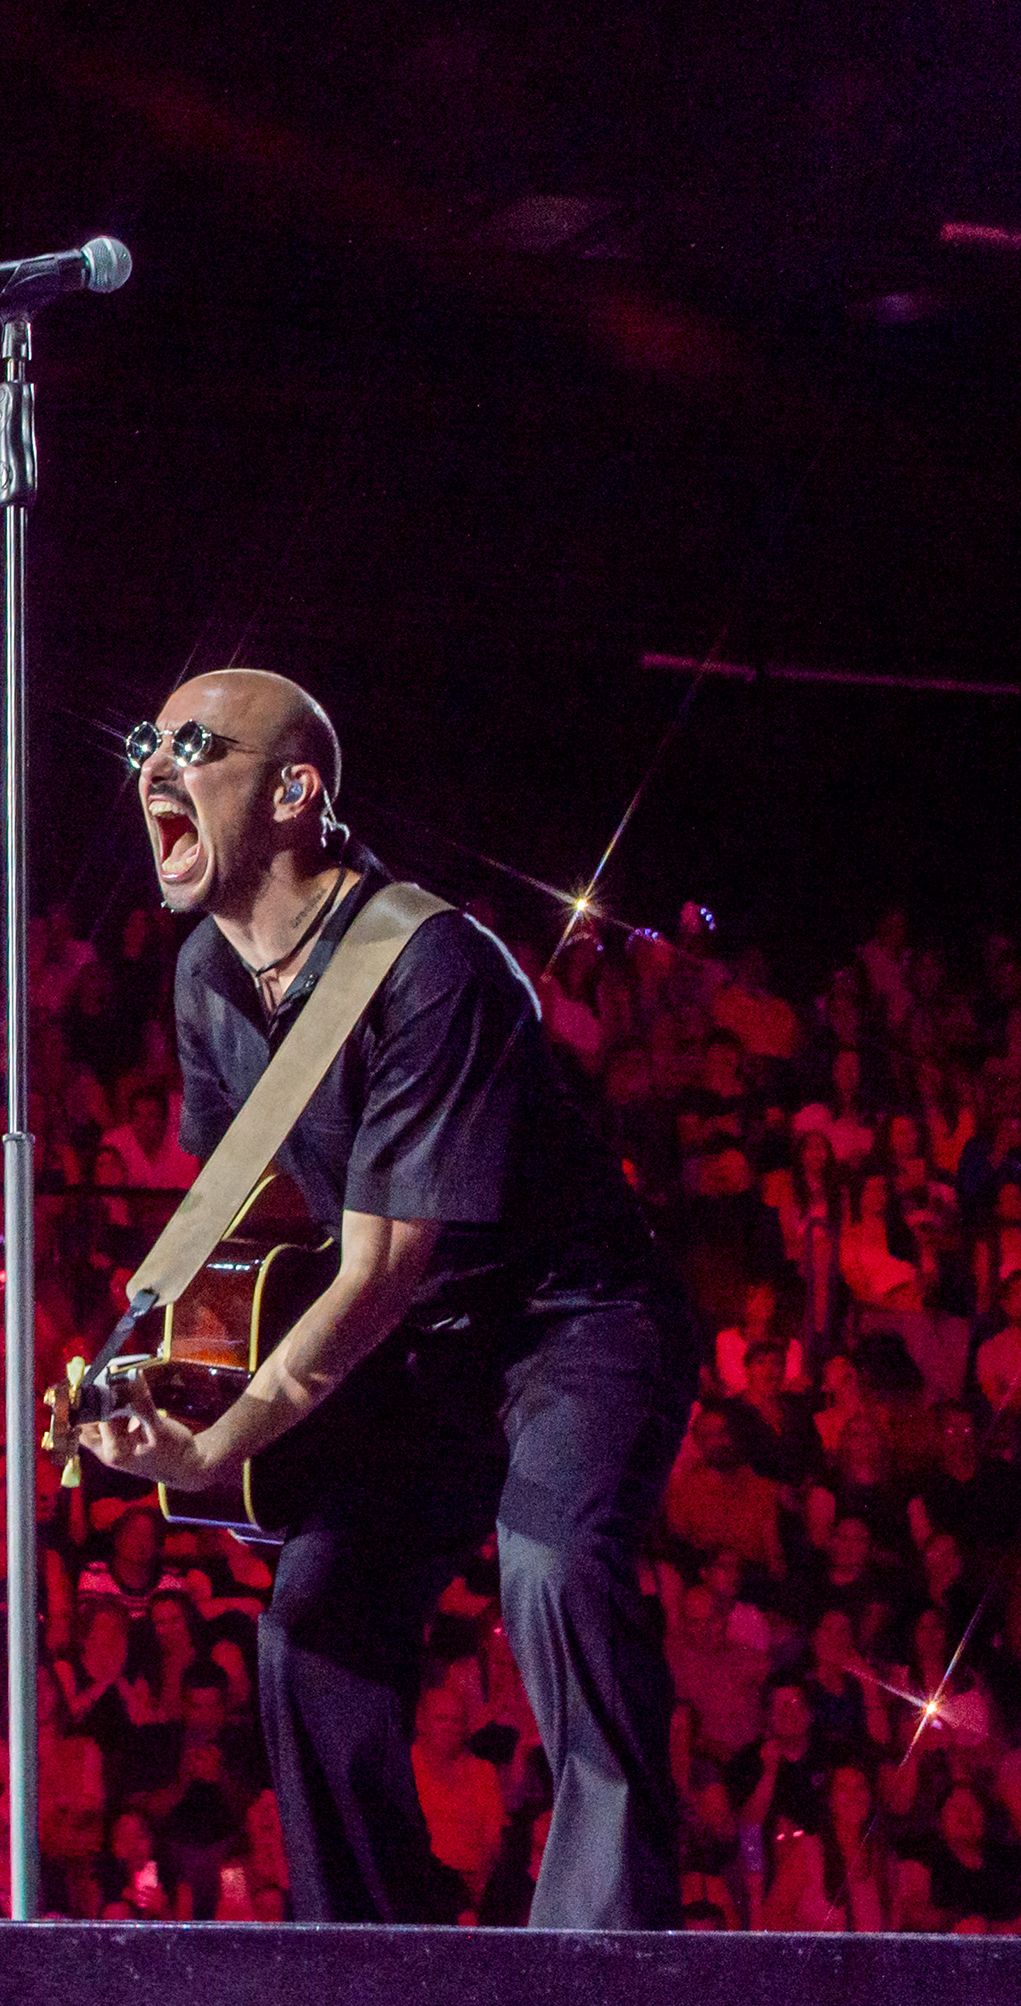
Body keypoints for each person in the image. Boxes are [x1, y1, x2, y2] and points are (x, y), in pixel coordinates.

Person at [84, 670, 690, 1930]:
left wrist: (219, 1441)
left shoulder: (429, 965)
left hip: (573, 1322)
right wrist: (166, 1353)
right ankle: (373, 1962)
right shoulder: (206, 975)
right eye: (149, 741)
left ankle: (603, 1958)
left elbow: (374, 1272)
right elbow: (249, 1201)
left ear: (295, 792)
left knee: (556, 1568)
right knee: (312, 1625)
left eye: (194, 743)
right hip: (428, 1351)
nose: (154, 766)